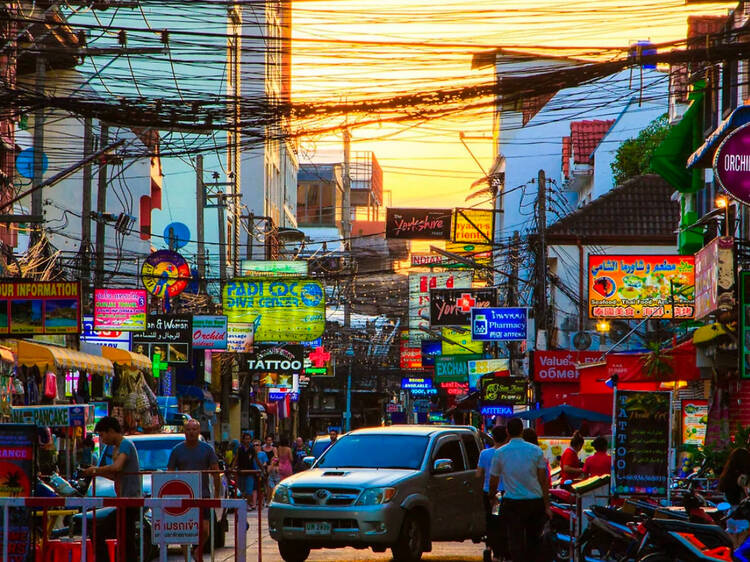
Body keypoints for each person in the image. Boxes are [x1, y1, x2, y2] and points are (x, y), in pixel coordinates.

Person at [489, 418, 551, 562]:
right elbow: (543, 481)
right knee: (534, 540)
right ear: (522, 431)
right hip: (535, 502)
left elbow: (493, 480)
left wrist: (492, 497)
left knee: (515, 539)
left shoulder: (500, 453)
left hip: (512, 503)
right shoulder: (536, 451)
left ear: (507, 432)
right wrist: (547, 506)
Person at [83, 416, 141, 560]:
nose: (102, 439)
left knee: (102, 533)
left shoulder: (125, 444)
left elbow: (117, 467)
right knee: (125, 539)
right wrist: (94, 473)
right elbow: (117, 475)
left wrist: (96, 470)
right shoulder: (116, 448)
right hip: (123, 500)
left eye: (102, 435)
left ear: (110, 431)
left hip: (130, 500)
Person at [167, 419, 221, 560]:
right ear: (184, 432)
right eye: (188, 430)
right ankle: (187, 558)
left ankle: (198, 550)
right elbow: (169, 473)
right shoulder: (176, 450)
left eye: (194, 429)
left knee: (205, 530)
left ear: (199, 431)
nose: (191, 432)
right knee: (185, 530)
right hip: (183, 495)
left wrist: (216, 493)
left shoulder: (207, 449)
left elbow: (216, 471)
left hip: (203, 495)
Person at [477, 425, 508, 562]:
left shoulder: (485, 454)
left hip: (489, 493)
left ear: (493, 438)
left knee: (491, 521)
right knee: (503, 522)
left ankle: (490, 548)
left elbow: (478, 474)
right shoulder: (508, 453)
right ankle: (500, 552)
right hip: (505, 493)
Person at [719, 448, 750, 546]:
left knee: (734, 549)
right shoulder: (743, 478)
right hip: (744, 517)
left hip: (731, 516)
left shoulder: (727, 477)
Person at [232, 432, 261, 510]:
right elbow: (236, 459)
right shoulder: (240, 448)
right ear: (243, 440)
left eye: (249, 439)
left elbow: (257, 460)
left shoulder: (252, 449)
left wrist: (262, 469)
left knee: (249, 490)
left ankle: (248, 504)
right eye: (246, 439)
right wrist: (232, 468)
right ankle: (242, 504)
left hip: (250, 472)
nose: (247, 441)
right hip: (241, 472)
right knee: (242, 490)